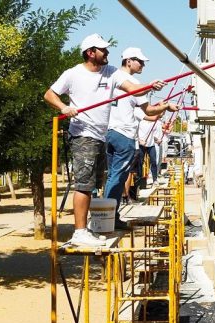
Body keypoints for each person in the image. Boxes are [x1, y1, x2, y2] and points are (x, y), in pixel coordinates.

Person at [44, 35, 165, 246]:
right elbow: (49, 94)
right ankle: (79, 232)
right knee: (84, 184)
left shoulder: (110, 72)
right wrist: (64, 107)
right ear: (91, 52)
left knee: (95, 183)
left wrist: (149, 86)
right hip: (83, 133)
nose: (107, 53)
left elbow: (131, 88)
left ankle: (89, 226)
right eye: (103, 50)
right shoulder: (73, 74)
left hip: (101, 135)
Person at [104, 47, 178, 229]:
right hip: (124, 134)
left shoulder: (109, 77)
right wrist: (163, 105)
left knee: (114, 176)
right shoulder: (133, 83)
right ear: (128, 61)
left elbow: (150, 113)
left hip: (108, 132)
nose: (143, 64)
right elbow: (149, 110)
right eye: (140, 61)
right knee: (119, 176)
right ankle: (109, 218)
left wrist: (164, 107)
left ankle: (108, 216)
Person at [136, 110, 163, 186]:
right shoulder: (140, 121)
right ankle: (140, 180)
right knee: (140, 162)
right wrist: (139, 141)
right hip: (141, 145)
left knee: (154, 162)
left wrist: (157, 140)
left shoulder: (154, 123)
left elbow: (154, 134)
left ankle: (155, 179)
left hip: (151, 145)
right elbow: (135, 132)